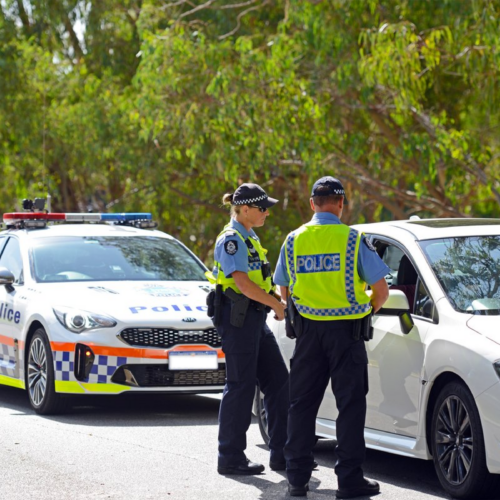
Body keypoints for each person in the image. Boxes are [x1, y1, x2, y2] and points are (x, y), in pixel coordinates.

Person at [273, 176, 390, 498]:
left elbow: (285, 288)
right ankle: (349, 480)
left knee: (301, 404)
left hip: (308, 333)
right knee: (350, 406)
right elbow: (381, 291)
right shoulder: (353, 239)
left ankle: (296, 477)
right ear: (341, 203)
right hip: (347, 335)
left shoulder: (294, 239)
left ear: (312, 204)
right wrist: (366, 311)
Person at [206, 182, 289, 475]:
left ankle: (283, 453)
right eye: (262, 207)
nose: (267, 212)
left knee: (279, 382)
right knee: (240, 386)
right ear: (244, 209)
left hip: (254, 318)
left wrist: (275, 300)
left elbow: (258, 280)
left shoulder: (249, 236)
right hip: (237, 319)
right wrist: (276, 305)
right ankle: (230, 457)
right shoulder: (232, 239)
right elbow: (241, 282)